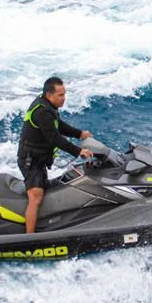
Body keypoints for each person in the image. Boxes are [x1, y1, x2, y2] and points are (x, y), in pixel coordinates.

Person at [17, 76, 94, 234]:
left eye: (64, 94)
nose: (64, 98)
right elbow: (54, 137)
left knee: (46, 191)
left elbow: (58, 125)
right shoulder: (42, 112)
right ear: (49, 95)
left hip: (38, 159)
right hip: (30, 161)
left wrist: (79, 133)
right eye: (60, 95)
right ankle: (29, 239)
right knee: (36, 196)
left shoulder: (48, 106)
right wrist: (78, 151)